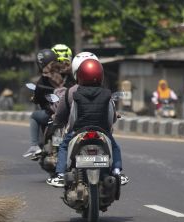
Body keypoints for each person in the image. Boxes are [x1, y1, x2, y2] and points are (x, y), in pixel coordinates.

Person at [48, 55, 127, 188]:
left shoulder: (73, 93)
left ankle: (60, 175)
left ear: (79, 75)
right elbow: (111, 117)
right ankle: (117, 171)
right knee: (114, 146)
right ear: (100, 75)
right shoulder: (107, 94)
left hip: (79, 130)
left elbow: (66, 115)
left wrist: (60, 123)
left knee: (63, 146)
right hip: (102, 131)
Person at [23, 46, 75, 158]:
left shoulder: (45, 76)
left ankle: (34, 146)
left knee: (34, 116)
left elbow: (38, 96)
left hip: (53, 112)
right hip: (72, 111)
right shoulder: (72, 73)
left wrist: (36, 98)